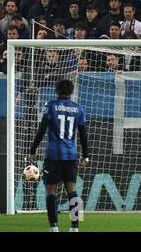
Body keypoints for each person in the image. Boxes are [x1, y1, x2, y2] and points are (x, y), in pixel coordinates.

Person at [29, 79, 89, 232]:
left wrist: (32, 150)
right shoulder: (78, 109)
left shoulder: (50, 106)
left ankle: (54, 226)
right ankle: (75, 227)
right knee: (73, 192)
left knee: (51, 192)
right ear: (71, 91)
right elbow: (83, 134)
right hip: (71, 155)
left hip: (53, 155)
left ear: (56, 90)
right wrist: (86, 155)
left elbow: (41, 130)